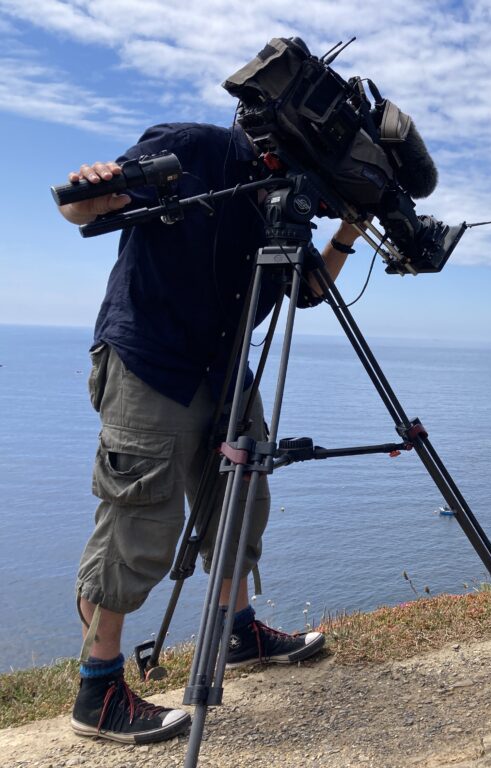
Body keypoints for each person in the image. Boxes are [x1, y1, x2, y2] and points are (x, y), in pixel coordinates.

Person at [58, 122, 360, 744]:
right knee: (140, 517)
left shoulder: (287, 198)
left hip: (223, 370)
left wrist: (348, 230)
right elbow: (86, 205)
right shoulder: (197, 148)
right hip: (151, 361)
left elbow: (304, 289)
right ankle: (97, 688)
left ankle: (237, 633)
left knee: (243, 496)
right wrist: (94, 192)